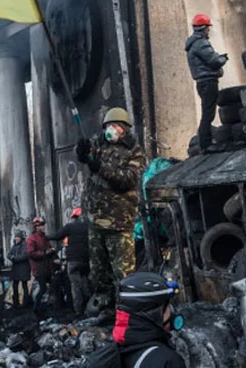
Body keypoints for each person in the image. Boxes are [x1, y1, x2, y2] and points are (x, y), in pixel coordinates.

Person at [76, 107, 146, 302]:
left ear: (124, 128)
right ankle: (104, 308)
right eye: (108, 126)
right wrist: (81, 151)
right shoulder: (100, 144)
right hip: (96, 221)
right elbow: (87, 154)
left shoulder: (134, 151)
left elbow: (128, 179)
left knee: (123, 273)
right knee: (99, 273)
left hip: (119, 222)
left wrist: (100, 167)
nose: (111, 130)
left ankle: (126, 312)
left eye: (115, 126)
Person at [112, 272, 186, 368]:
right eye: (167, 307)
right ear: (153, 314)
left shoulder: (110, 356)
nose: (171, 313)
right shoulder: (168, 361)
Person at [185, 14, 229, 152]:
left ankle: (205, 142)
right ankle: (206, 144)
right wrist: (223, 59)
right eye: (208, 28)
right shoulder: (201, 43)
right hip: (208, 81)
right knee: (208, 114)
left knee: (207, 112)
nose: (208, 31)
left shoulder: (193, 43)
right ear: (203, 28)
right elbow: (214, 61)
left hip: (203, 82)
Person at [48, 207, 91, 316]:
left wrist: (45, 237)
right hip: (86, 259)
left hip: (73, 260)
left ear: (74, 217)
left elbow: (57, 236)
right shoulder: (88, 226)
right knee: (85, 282)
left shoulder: (70, 227)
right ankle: (89, 306)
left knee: (75, 285)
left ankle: (78, 310)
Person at [27, 217, 54, 314]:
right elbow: (31, 253)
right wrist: (45, 253)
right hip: (39, 268)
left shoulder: (45, 238)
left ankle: (47, 307)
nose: (43, 227)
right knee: (43, 288)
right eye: (41, 225)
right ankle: (36, 309)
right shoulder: (32, 239)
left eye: (43, 225)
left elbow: (49, 249)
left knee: (51, 287)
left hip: (47, 267)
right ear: (36, 227)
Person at [7, 230, 31, 308]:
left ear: (21, 238)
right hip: (16, 270)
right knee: (15, 286)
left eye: (17, 237)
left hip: (23, 269)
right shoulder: (14, 246)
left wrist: (14, 258)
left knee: (24, 286)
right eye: (15, 237)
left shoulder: (25, 245)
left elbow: (24, 256)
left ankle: (26, 303)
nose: (16, 238)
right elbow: (9, 254)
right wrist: (12, 257)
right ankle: (16, 302)